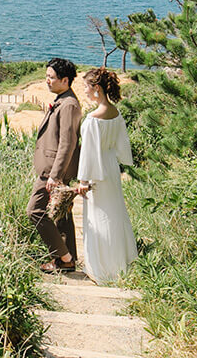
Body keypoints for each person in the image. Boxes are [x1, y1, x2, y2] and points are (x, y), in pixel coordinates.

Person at [73, 67, 137, 283]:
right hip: (110, 167)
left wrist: (83, 180)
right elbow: (122, 145)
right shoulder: (116, 113)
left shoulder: (92, 119)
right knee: (115, 213)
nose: (84, 91)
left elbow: (88, 152)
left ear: (97, 88)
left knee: (98, 216)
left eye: (86, 87)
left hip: (96, 171)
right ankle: (118, 264)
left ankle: (100, 268)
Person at [27, 58, 82, 273]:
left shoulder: (68, 105)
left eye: (51, 77)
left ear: (65, 80)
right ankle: (67, 260)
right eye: (47, 76)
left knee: (35, 210)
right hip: (52, 168)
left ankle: (64, 255)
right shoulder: (63, 99)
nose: (47, 81)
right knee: (62, 215)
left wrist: (55, 175)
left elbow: (68, 143)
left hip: (52, 171)